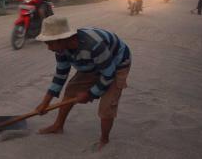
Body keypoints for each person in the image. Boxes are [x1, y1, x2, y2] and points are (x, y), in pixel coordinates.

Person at [34, 16, 132, 151]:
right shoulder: (61, 49)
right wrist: (45, 102)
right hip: (92, 64)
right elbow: (60, 74)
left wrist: (90, 94)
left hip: (116, 64)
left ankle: (104, 139)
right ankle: (58, 126)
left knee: (107, 106)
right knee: (70, 91)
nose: (49, 48)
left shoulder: (93, 45)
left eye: (50, 43)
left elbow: (108, 74)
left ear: (62, 39)